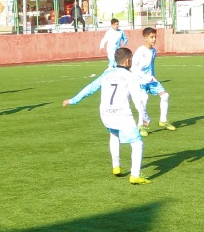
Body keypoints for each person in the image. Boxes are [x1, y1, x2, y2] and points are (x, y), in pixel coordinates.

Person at [63, 45, 149, 184]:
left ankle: (116, 166)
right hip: (122, 115)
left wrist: (73, 100)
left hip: (106, 114)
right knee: (137, 142)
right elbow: (137, 100)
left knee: (114, 135)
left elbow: (90, 88)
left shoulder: (106, 74)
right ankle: (135, 175)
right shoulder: (130, 76)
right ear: (128, 61)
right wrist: (145, 117)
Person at [132, 26, 176, 134]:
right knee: (144, 99)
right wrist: (144, 77)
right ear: (145, 38)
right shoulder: (139, 51)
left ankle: (163, 121)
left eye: (155, 37)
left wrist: (152, 77)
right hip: (140, 81)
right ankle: (141, 125)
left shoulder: (153, 51)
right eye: (152, 37)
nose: (154, 39)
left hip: (151, 80)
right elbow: (133, 68)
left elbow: (151, 66)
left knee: (165, 96)